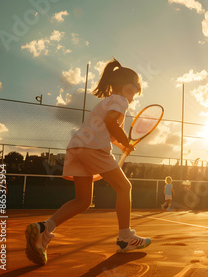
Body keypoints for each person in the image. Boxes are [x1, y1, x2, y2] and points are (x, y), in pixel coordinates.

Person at [25, 58, 151, 265]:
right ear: (127, 87)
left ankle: (43, 230)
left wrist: (122, 145)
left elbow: (106, 129)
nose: (132, 97)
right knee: (124, 187)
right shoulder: (120, 101)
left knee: (82, 201)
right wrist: (125, 140)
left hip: (77, 147)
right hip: (93, 148)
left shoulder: (107, 102)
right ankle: (125, 238)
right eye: (132, 92)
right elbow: (111, 123)